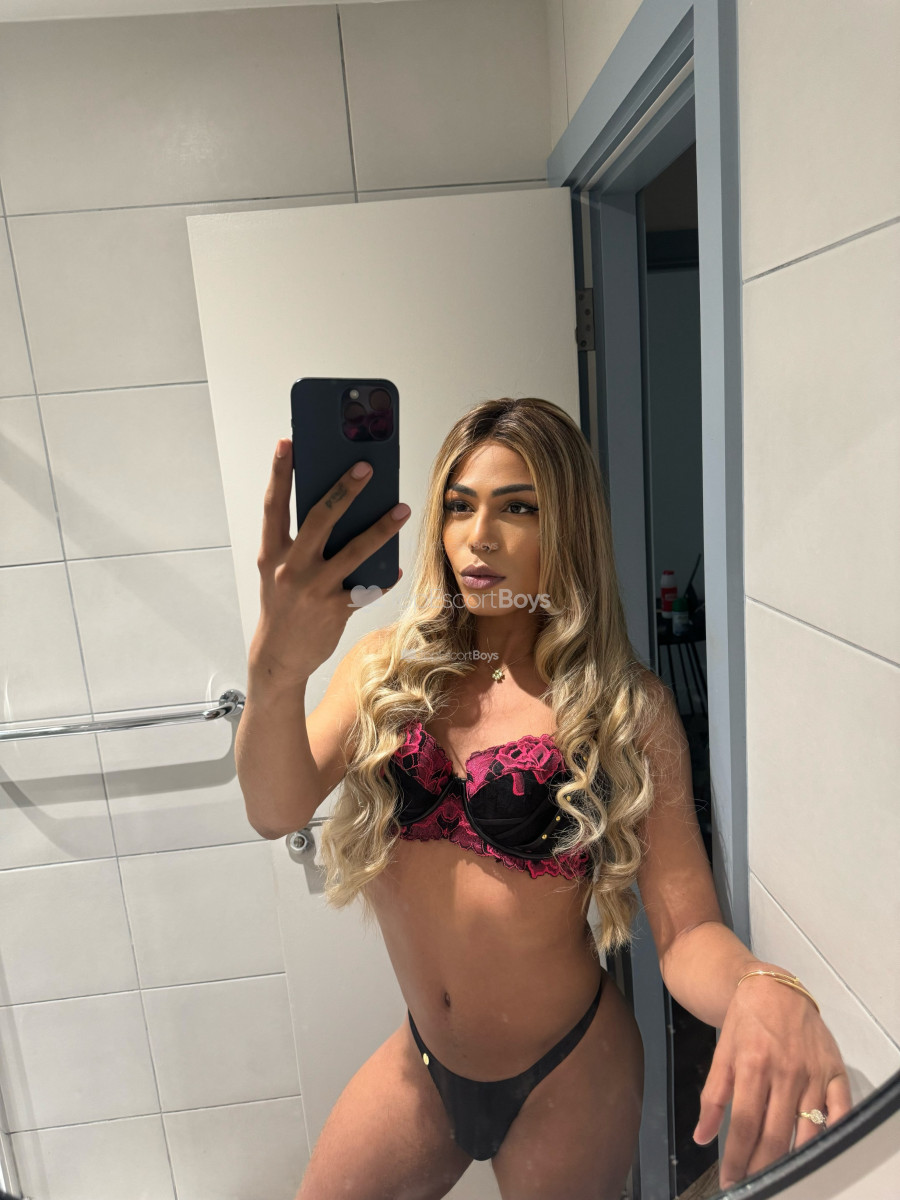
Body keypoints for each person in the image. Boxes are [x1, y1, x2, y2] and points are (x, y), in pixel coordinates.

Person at [237, 397, 851, 1200]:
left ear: (567, 526)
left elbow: (687, 930)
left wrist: (757, 986)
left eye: (518, 508)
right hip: (424, 1058)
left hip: (569, 1071)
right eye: (460, 506)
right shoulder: (383, 669)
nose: (480, 536)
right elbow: (274, 809)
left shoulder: (625, 709)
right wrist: (276, 669)